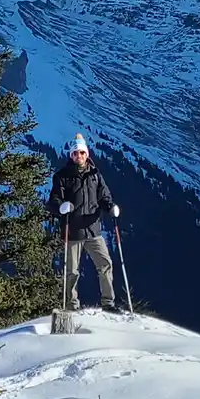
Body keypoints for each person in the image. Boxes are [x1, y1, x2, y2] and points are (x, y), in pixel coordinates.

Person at [50, 133, 122, 311]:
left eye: (82, 152)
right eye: (75, 153)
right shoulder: (62, 176)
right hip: (73, 230)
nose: (79, 156)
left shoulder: (95, 175)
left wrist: (110, 207)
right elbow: (53, 200)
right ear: (71, 155)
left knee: (105, 264)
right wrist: (60, 207)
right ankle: (71, 305)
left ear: (87, 154)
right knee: (72, 271)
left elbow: (104, 196)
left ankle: (108, 303)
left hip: (93, 229)